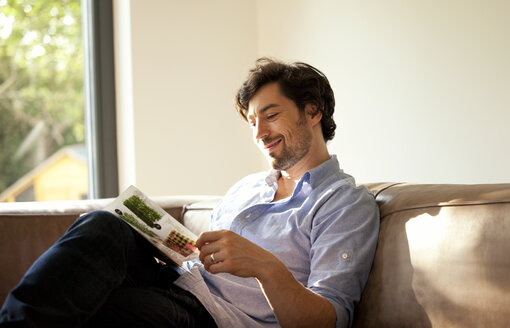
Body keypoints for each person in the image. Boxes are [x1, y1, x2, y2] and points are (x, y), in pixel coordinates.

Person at [0, 57, 379, 328]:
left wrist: (265, 267)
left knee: (98, 307)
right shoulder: (247, 187)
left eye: (272, 114)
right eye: (252, 121)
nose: (259, 133)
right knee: (103, 226)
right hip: (180, 282)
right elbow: (199, 258)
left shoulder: (345, 203)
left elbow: (328, 319)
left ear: (313, 112)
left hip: (215, 317)